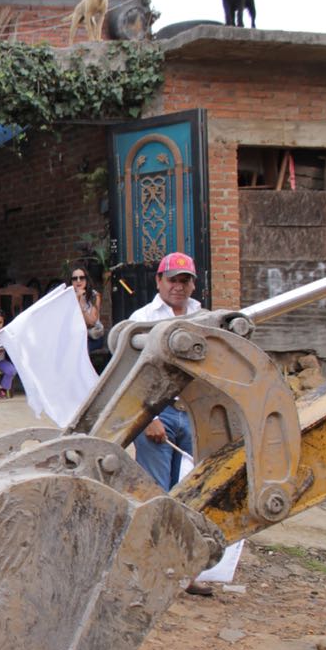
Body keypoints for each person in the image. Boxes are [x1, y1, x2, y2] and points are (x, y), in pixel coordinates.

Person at [128, 252, 211, 596]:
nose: (179, 287)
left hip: (193, 413)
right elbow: (134, 376)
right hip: (158, 414)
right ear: (159, 281)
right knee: (155, 493)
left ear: (193, 283)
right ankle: (148, 568)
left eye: (185, 280)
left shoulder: (205, 318)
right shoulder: (143, 319)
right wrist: (149, 417)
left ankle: (185, 569)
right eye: (172, 280)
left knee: (194, 491)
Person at [72, 266, 105, 351]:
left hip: (92, 336)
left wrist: (81, 302)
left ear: (86, 280)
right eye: (75, 278)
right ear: (71, 281)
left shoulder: (94, 295)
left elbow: (91, 322)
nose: (78, 281)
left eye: (82, 278)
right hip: (75, 336)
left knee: (80, 349)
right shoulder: (68, 297)